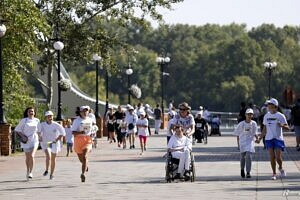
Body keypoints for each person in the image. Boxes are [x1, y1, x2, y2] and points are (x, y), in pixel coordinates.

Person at [257, 98, 289, 180]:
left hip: (278, 138)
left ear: (275, 106)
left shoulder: (280, 116)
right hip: (269, 139)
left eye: (270, 104)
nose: (268, 106)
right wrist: (260, 138)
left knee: (278, 157)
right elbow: (265, 128)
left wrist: (281, 125)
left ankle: (280, 168)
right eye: (268, 104)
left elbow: (287, 128)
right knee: (272, 157)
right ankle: (274, 174)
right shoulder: (266, 116)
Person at [38, 111, 65, 180]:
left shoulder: (56, 125)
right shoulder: (42, 124)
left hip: (54, 143)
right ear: (46, 118)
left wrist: (57, 139)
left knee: (53, 159)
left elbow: (62, 133)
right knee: (48, 156)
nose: (50, 118)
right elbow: (38, 131)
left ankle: (51, 174)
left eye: (51, 116)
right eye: (48, 116)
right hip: (46, 142)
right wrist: (40, 137)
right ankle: (47, 170)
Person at [15, 107, 40, 180]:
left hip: (35, 140)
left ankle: (31, 172)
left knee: (32, 156)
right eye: (29, 111)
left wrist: (41, 137)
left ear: (34, 112)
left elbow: (39, 130)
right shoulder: (24, 120)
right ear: (27, 113)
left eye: (32, 111)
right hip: (26, 141)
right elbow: (17, 130)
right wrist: (23, 136)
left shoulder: (37, 120)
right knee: (28, 157)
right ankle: (28, 170)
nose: (31, 112)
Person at [72, 105, 95, 182]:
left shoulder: (90, 120)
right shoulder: (76, 121)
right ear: (80, 112)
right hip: (78, 140)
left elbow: (91, 130)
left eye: (86, 111)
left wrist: (92, 134)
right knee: (81, 159)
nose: (85, 112)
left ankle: (83, 174)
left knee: (85, 156)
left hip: (87, 140)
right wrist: (80, 132)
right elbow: (73, 132)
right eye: (83, 111)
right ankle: (85, 166)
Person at [234, 108, 258, 178]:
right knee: (242, 157)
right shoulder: (241, 124)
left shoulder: (254, 123)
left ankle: (248, 172)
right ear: (245, 115)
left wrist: (257, 139)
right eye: (248, 114)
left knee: (248, 156)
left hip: (250, 142)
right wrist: (238, 144)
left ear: (252, 115)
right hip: (242, 142)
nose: (249, 116)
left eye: (251, 114)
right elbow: (237, 134)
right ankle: (242, 169)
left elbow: (255, 132)